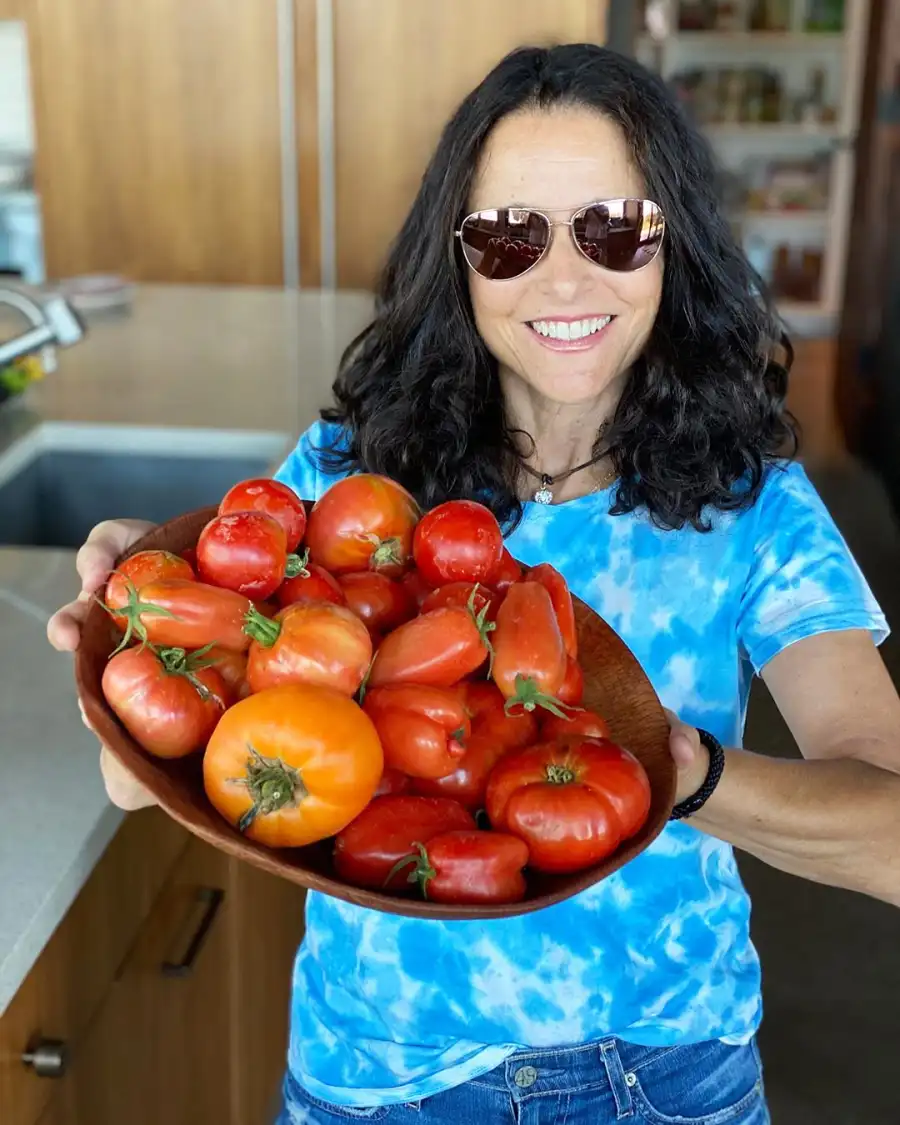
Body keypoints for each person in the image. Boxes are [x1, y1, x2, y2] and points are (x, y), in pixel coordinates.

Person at [49, 44, 900, 1125]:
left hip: (661, 1075)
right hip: (375, 1074)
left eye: (611, 226)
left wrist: (684, 780)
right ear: (457, 258)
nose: (563, 277)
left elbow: (891, 843)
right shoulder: (346, 471)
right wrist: (138, 613)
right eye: (509, 236)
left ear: (669, 243)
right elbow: (143, 781)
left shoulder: (750, 502)